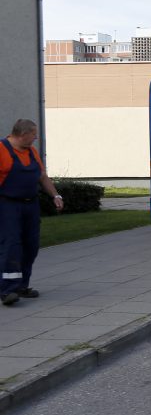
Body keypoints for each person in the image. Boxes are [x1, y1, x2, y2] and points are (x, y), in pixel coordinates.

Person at [0, 119, 63, 306]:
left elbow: (42, 176)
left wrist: (55, 195)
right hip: (7, 204)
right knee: (11, 245)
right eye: (33, 134)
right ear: (22, 134)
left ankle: (21, 286)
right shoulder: (2, 150)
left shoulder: (31, 152)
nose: (36, 137)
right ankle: (7, 290)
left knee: (31, 246)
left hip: (30, 205)